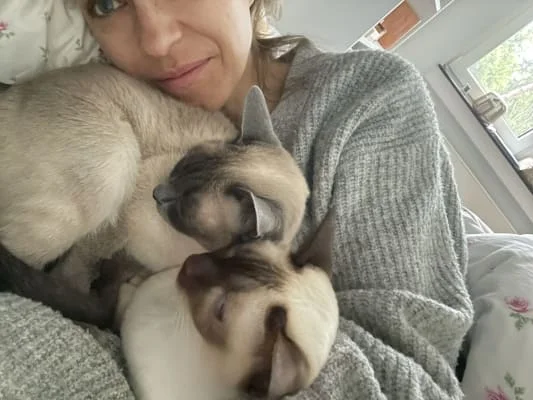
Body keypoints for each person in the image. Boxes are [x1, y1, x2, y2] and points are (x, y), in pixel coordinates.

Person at [0, 0, 474, 398]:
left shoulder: (365, 100)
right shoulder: (89, 88)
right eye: (108, 3)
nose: (156, 41)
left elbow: (408, 383)